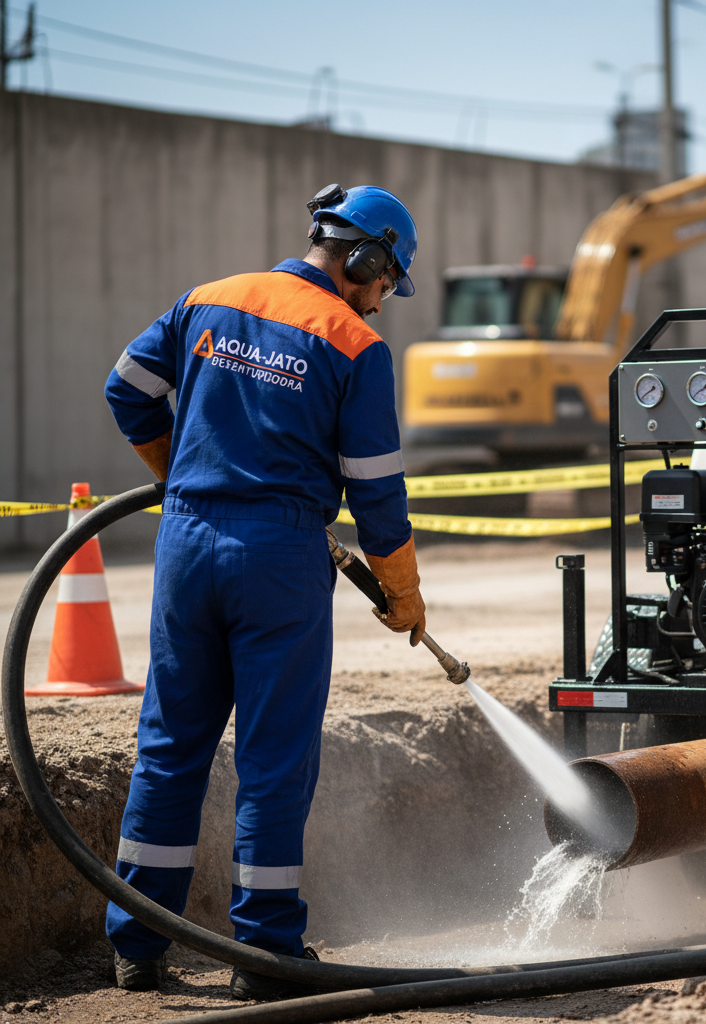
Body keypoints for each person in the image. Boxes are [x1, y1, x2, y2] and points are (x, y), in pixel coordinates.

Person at [103, 184, 425, 1000]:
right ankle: (266, 954)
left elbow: (128, 390)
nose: (383, 304)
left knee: (170, 749)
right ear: (367, 258)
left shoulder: (207, 299)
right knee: (274, 761)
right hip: (278, 557)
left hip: (185, 543)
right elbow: (376, 492)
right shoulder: (353, 344)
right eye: (388, 283)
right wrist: (403, 590)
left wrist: (181, 477)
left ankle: (139, 946)